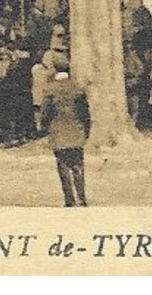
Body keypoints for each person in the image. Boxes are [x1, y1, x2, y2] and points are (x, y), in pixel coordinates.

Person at [38, 57, 91, 207]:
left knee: (63, 166)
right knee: (78, 165)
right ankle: (82, 198)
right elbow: (85, 113)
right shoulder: (78, 88)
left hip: (58, 132)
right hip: (76, 130)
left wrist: (44, 128)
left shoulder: (50, 89)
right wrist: (86, 130)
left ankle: (69, 199)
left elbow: (46, 113)